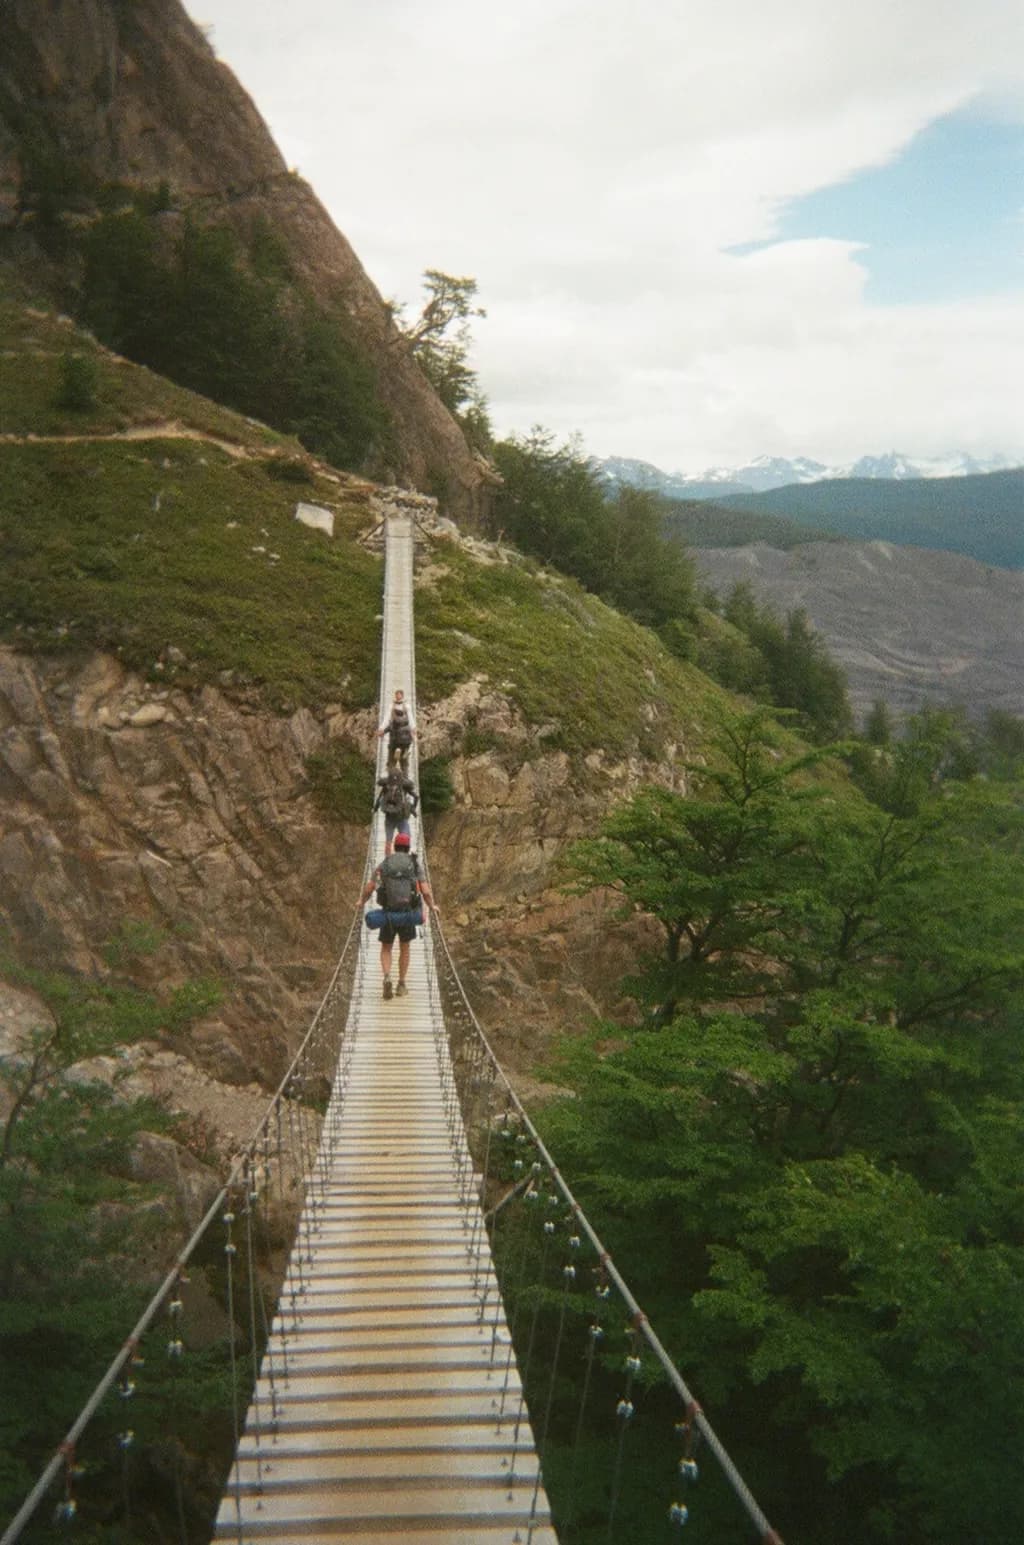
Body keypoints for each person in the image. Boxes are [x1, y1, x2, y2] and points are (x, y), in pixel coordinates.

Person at [360, 832, 437, 1000]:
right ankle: (401, 984)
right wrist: (432, 906)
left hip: (387, 914)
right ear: (408, 847)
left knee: (386, 947)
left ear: (394, 847)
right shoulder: (414, 864)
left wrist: (361, 902)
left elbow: (370, 887)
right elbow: (425, 890)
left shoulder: (385, 864)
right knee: (405, 948)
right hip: (408, 914)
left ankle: (387, 976)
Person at [374, 766, 419, 855]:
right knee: (406, 838)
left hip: (389, 818)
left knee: (388, 841)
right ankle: (405, 858)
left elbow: (379, 799)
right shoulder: (404, 785)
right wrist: (412, 808)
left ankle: (387, 860)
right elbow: (416, 797)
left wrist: (375, 809)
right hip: (402, 818)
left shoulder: (386, 785)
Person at [377, 688, 416, 769]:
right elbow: (387, 718)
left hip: (398, 734)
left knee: (399, 756)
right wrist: (382, 728)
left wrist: (413, 728)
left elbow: (410, 718)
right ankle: (397, 766)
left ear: (402, 695)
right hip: (401, 735)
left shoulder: (404, 706)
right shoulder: (393, 706)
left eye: (399, 695)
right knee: (400, 755)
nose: (398, 696)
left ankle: (398, 765)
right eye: (397, 695)